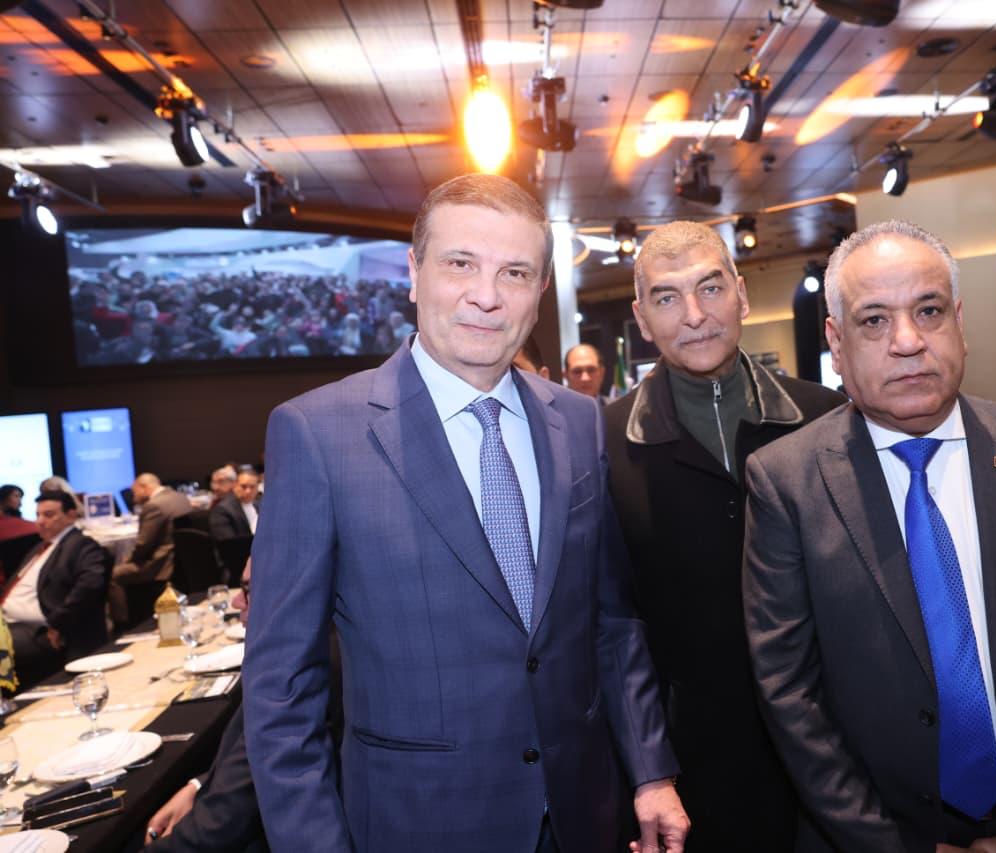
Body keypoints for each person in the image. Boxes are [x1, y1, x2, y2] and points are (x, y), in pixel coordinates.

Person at [242, 173, 688, 853]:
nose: (486, 295)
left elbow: (610, 622)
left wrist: (651, 771)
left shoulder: (579, 423)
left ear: (540, 290)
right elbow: (281, 688)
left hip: (583, 814)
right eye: (460, 264)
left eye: (515, 272)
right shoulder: (318, 434)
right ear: (414, 272)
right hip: (419, 824)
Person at [742, 220, 996, 852]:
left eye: (928, 311)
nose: (908, 341)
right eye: (874, 320)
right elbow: (790, 695)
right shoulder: (785, 482)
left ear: (958, 321)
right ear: (836, 342)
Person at [604, 220, 845, 850]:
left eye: (710, 288)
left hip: (832, 751)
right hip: (690, 765)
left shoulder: (824, 420)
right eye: (667, 297)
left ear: (741, 294)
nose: (694, 315)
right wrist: (649, 766)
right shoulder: (606, 444)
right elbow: (613, 624)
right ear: (642, 318)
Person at [145, 558, 344, 852]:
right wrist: (199, 785)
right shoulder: (319, 643)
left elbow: (227, 818)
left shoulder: (300, 669)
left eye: (248, 591)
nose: (236, 602)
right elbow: (247, 757)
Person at [2, 491, 108, 685]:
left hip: (39, 629)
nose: (40, 521)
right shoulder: (40, 548)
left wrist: (57, 623)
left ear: (71, 515)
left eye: (48, 515)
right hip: (8, 623)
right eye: (38, 515)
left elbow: (89, 586)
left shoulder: (82, 545)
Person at [109, 473, 191, 626]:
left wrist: (126, 561)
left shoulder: (154, 506)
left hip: (160, 564)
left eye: (134, 492)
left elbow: (143, 545)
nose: (133, 498)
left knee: (113, 574)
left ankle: (124, 625)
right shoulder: (180, 497)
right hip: (182, 559)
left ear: (144, 487)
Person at [208, 468, 260, 541]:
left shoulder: (260, 504)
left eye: (252, 487)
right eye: (243, 486)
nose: (248, 491)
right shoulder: (222, 510)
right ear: (235, 486)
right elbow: (228, 542)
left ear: (258, 487)